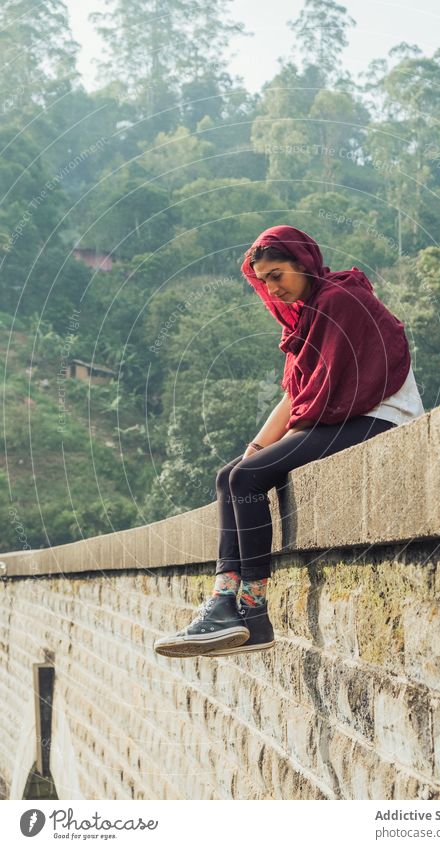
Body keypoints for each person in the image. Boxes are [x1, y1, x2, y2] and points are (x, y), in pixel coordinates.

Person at [153, 225, 424, 659]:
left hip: (379, 417)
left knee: (247, 480)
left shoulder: (338, 301)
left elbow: (335, 391)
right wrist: (257, 448)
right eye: (264, 280)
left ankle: (252, 611)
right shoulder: (308, 314)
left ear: (304, 263)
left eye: (278, 274)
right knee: (231, 476)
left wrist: (259, 461)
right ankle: (225, 600)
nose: (272, 287)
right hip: (338, 418)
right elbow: (298, 395)